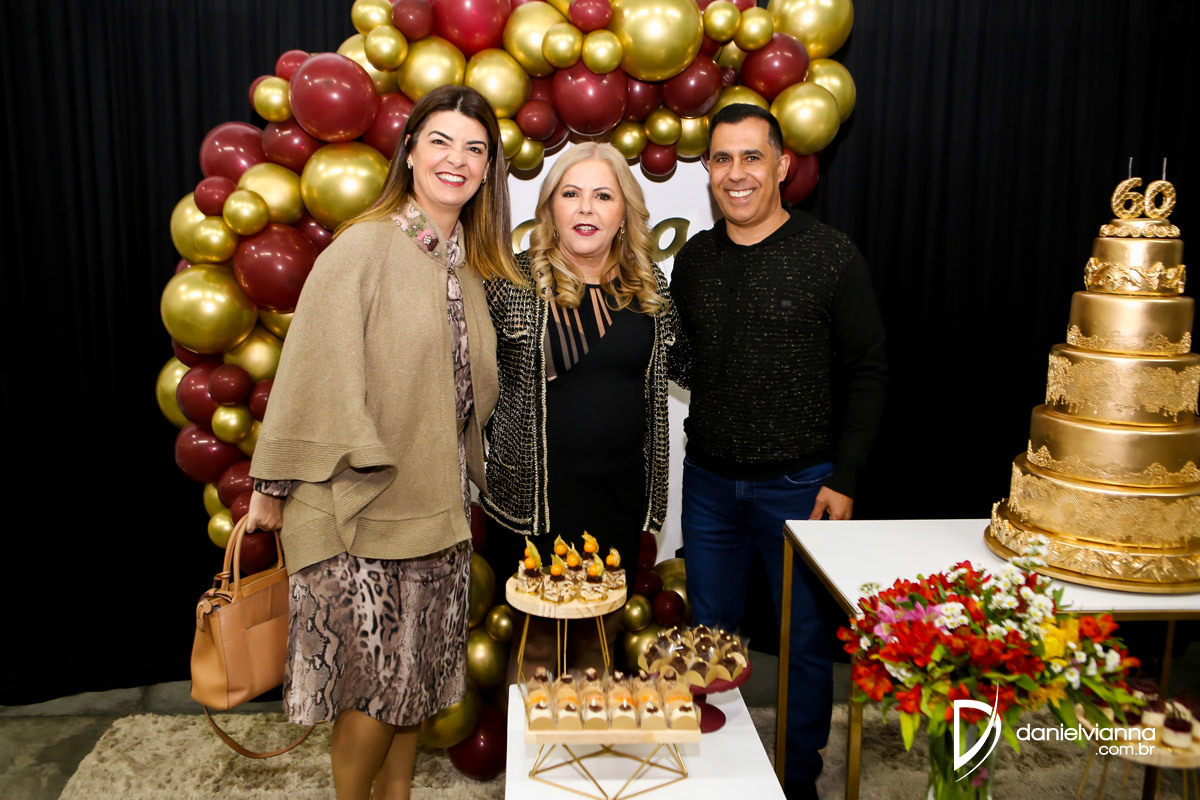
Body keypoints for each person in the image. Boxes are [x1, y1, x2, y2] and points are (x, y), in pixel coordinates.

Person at [242, 86, 523, 800]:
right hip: (356, 513)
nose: (456, 160)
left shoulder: (465, 265)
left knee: (413, 689)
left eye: (475, 148)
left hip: (437, 508)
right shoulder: (364, 245)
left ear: (488, 169)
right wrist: (271, 489)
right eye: (440, 141)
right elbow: (308, 370)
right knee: (370, 697)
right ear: (409, 151)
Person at [671, 104, 886, 800]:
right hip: (708, 486)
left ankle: (798, 780)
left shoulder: (830, 254)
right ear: (708, 170)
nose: (736, 173)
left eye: (751, 157)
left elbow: (868, 370)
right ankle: (714, 774)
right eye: (722, 158)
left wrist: (846, 476)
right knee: (710, 638)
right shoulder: (694, 260)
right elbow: (682, 358)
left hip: (802, 488)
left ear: (783, 165)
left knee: (804, 644)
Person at [481, 142, 687, 679]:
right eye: (570, 194)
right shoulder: (512, 283)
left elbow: (690, 367)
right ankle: (534, 738)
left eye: (603, 195)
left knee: (600, 646)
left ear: (625, 213)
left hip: (618, 499)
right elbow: (467, 385)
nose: (586, 208)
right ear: (550, 208)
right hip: (535, 503)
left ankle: (589, 733)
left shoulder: (649, 287)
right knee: (536, 651)